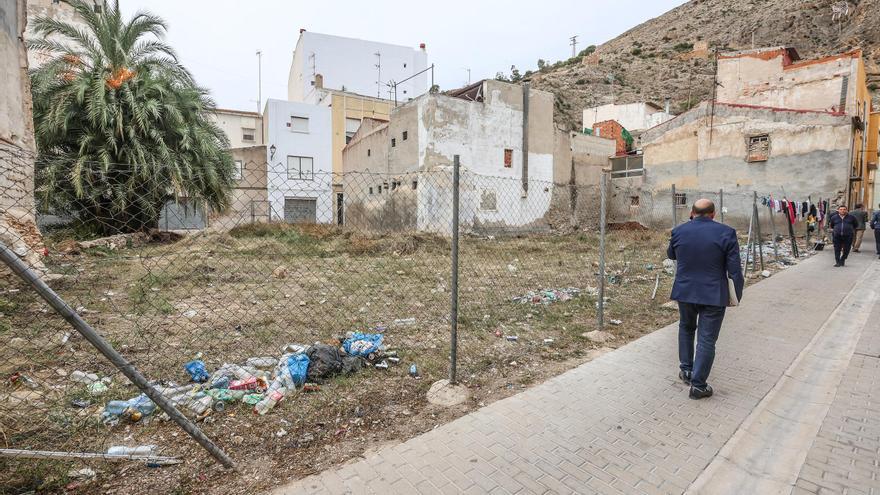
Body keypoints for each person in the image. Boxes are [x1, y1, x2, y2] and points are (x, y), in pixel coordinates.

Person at [667, 199, 743, 400]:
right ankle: (698, 386)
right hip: (714, 294)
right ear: (713, 214)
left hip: (685, 291)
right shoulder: (726, 233)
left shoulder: (678, 231)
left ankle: (687, 370)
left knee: (686, 328)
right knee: (707, 338)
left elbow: (671, 254)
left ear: (692, 213)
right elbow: (735, 269)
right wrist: (736, 296)